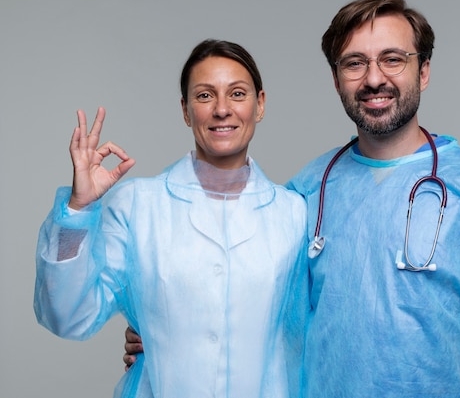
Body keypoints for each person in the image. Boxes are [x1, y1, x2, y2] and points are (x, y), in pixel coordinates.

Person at [124, 0, 460, 397]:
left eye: (393, 58)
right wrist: (169, 331)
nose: (373, 79)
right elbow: (255, 296)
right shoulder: (307, 191)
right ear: (336, 79)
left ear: (423, 70)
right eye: (354, 63)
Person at [34, 39, 307, 398]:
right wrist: (78, 209)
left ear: (260, 104)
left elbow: (315, 328)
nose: (222, 109)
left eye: (237, 94)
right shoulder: (138, 206)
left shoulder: (293, 212)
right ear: (185, 109)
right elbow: (68, 317)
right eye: (205, 96)